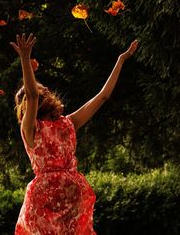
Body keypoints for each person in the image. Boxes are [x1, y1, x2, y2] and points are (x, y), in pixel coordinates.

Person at [10, 33, 138, 235]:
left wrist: (25, 58)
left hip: (44, 198)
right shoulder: (65, 124)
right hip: (71, 191)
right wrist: (121, 60)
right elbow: (103, 96)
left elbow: (33, 95)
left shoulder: (31, 129)